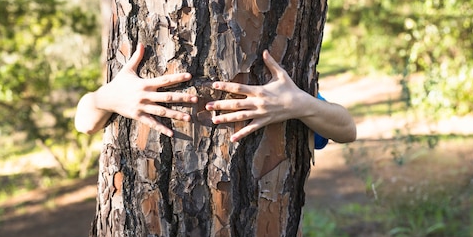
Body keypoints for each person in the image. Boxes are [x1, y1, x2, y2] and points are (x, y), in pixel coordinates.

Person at [74, 44, 357, 146]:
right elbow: (85, 122)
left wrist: (300, 104)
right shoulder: (123, 91)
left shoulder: (281, 98)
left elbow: (346, 129)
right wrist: (105, 98)